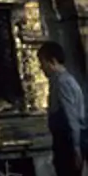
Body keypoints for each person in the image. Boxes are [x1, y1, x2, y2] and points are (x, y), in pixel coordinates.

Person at [37, 41, 86, 175]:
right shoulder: (62, 81)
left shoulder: (62, 83)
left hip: (68, 142)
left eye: (43, 62)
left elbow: (72, 118)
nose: (41, 67)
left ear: (52, 61)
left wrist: (76, 148)